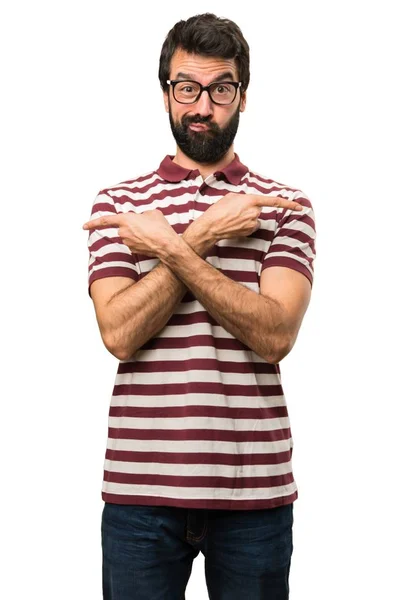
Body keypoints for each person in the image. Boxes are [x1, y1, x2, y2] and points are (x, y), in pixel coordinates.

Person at [83, 12, 316, 600]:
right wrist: (202, 237)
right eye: (187, 88)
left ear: (242, 95)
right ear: (166, 94)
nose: (202, 106)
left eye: (220, 89)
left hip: (254, 499)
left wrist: (165, 248)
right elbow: (118, 332)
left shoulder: (284, 207)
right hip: (139, 498)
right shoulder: (120, 206)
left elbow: (276, 335)